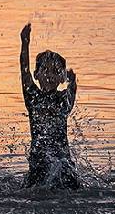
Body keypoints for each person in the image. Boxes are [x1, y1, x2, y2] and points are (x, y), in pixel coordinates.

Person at [19, 23, 80, 189]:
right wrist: (25, 44)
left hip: (63, 162)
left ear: (61, 78)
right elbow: (24, 70)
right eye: (45, 70)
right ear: (36, 75)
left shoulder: (62, 100)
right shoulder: (32, 96)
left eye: (55, 71)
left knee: (72, 184)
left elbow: (71, 93)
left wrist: (73, 82)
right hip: (39, 162)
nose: (49, 75)